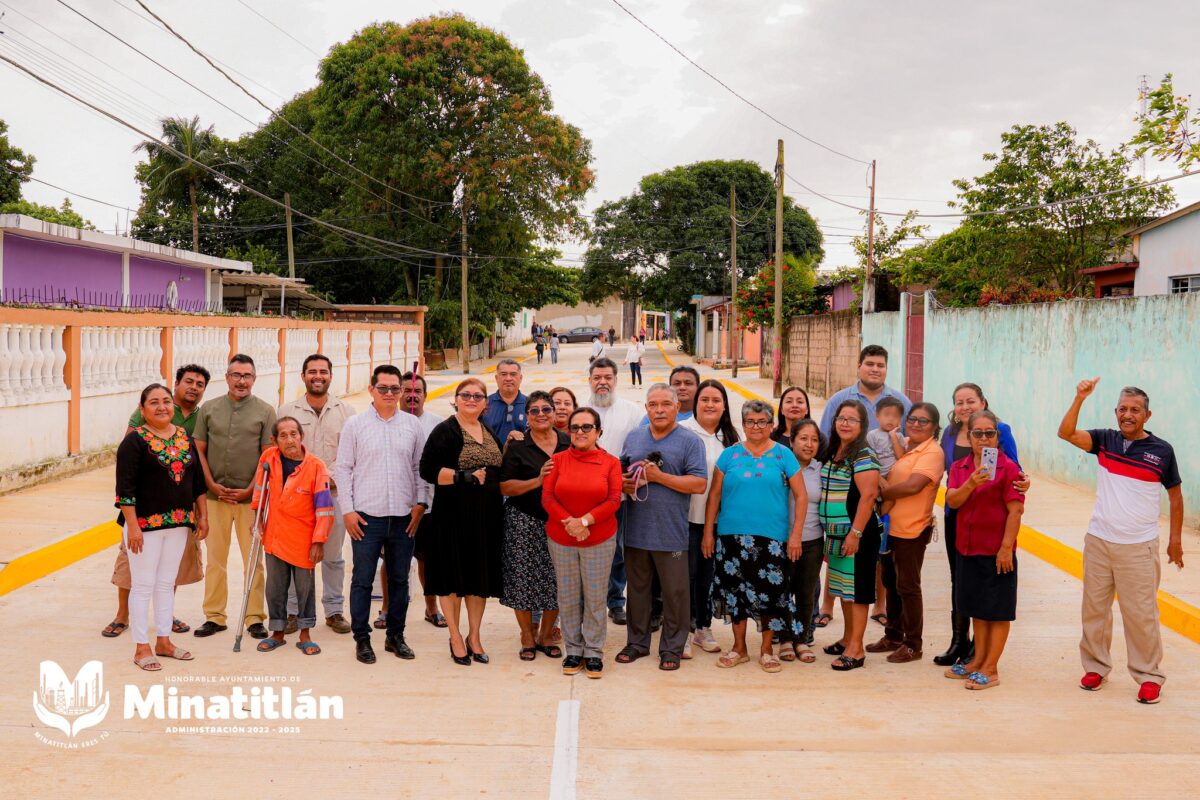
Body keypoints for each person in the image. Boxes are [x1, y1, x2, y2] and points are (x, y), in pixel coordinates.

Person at [1059, 380, 1184, 705]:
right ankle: (1096, 668)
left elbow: (1175, 496)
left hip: (1138, 546)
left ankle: (1149, 676)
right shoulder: (1105, 440)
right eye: (1123, 409)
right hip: (1099, 541)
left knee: (1141, 614)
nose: (1128, 415)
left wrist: (1175, 541)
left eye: (1135, 410)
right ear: (1116, 412)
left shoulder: (1162, 451)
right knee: (1094, 610)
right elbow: (1066, 432)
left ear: (1147, 415)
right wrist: (1080, 398)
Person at [104, 364, 210, 639]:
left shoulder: (184, 437)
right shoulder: (135, 441)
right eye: (154, 402)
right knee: (142, 584)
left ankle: (164, 640)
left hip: (178, 524)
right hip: (144, 525)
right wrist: (133, 527)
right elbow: (125, 489)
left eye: (165, 402)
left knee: (166, 583)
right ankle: (141, 644)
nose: (161, 407)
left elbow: (197, 482)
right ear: (142, 409)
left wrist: (202, 516)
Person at [703, 401, 806, 673]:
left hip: (771, 538)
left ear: (771, 425)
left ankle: (767, 650)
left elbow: (801, 496)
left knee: (769, 594)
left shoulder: (784, 455)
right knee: (735, 593)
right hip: (731, 537)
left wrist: (796, 535)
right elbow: (714, 496)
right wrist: (708, 533)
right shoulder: (730, 455)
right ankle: (739, 648)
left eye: (762, 421)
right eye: (750, 421)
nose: (756, 426)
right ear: (743, 424)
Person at [335, 365, 428, 665]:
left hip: (404, 517)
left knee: (400, 580)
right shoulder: (355, 425)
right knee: (362, 580)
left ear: (401, 391)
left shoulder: (412, 425)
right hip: (366, 518)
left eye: (395, 388)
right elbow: (343, 469)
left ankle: (395, 636)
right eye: (383, 388)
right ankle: (362, 639)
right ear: (371, 390)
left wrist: (421, 504)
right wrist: (348, 511)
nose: (389, 393)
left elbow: (419, 468)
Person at [614, 384, 707, 671]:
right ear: (646, 409)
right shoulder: (634, 437)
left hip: (671, 533)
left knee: (675, 594)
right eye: (653, 405)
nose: (659, 410)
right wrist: (624, 483)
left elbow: (699, 483)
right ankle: (637, 643)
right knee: (637, 591)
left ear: (677, 407)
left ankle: (672, 648)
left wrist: (658, 477)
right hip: (636, 531)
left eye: (666, 404)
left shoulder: (690, 441)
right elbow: (620, 473)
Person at [935, 382, 1027, 667]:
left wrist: (1006, 546)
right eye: (959, 402)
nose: (983, 438)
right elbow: (949, 491)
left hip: (995, 538)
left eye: (989, 433)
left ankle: (986, 661)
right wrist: (969, 485)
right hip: (963, 531)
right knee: (967, 591)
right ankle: (964, 648)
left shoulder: (1004, 454)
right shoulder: (952, 440)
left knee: (994, 604)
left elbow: (1015, 497)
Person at [420, 377, 505, 666]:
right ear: (456, 399)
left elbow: (499, 465)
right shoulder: (445, 430)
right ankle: (455, 637)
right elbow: (427, 470)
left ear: (485, 403)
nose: (471, 399)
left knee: (477, 580)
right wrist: (462, 477)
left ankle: (475, 637)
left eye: (478, 396)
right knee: (452, 579)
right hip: (452, 517)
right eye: (465, 395)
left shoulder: (487, 429)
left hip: (485, 517)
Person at [193, 354, 276, 639]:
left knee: (253, 560)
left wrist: (251, 489)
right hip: (214, 498)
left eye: (247, 376)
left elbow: (267, 458)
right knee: (215, 560)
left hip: (251, 501)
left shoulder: (265, 411)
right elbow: (199, 451)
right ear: (227, 377)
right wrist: (211, 485)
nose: (242, 381)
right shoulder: (209, 409)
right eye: (236, 375)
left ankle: (254, 618)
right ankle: (214, 616)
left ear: (254, 379)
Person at [542, 407, 623, 677]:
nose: (580, 432)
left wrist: (585, 522)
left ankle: (594, 651)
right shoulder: (558, 460)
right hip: (561, 538)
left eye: (587, 427)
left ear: (599, 431)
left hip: (598, 539)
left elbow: (613, 500)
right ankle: (574, 649)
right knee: (567, 596)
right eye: (575, 427)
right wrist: (571, 523)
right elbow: (548, 498)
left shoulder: (611, 462)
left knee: (595, 597)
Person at [277, 354, 355, 635]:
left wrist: (329, 479)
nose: (318, 376)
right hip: (298, 498)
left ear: (331, 376)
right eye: (312, 371)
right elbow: (282, 454)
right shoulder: (288, 411)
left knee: (333, 556)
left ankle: (334, 611)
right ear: (303, 376)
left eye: (323, 371)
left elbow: (352, 456)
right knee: (296, 555)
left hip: (334, 495)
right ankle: (293, 612)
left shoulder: (347, 412)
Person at [252, 417, 335, 656]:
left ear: (301, 436)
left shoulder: (316, 466)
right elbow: (259, 491)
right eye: (283, 435)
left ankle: (305, 634)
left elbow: (324, 508)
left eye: (294, 434)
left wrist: (319, 541)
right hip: (275, 535)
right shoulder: (268, 459)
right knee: (275, 588)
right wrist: (257, 518)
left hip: (304, 538)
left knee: (305, 589)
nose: (290, 440)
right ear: (274, 440)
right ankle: (277, 633)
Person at [870, 402, 945, 663]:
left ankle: (913, 644)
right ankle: (893, 635)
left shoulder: (932, 453)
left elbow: (913, 486)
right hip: (891, 527)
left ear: (934, 427)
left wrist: (880, 493)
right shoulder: (904, 445)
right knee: (891, 583)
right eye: (912, 419)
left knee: (908, 587)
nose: (916, 424)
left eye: (923, 421)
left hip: (912, 530)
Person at [499, 390, 569, 660]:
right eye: (535, 411)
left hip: (560, 520)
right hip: (523, 520)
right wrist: (537, 481)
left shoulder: (568, 442)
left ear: (554, 413)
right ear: (527, 416)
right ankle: (527, 636)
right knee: (522, 580)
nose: (541, 415)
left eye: (546, 409)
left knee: (556, 580)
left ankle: (546, 635)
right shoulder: (519, 446)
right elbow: (504, 486)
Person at [818, 399, 883, 671]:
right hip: (837, 536)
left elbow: (868, 497)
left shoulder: (864, 455)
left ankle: (856, 650)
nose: (845, 424)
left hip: (858, 536)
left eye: (852, 420)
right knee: (844, 589)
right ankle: (847, 639)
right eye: (841, 418)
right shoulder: (834, 451)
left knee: (857, 592)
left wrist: (855, 534)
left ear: (862, 425)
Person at [680, 379, 739, 657]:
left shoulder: (732, 439)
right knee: (686, 577)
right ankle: (684, 630)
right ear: (695, 403)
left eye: (716, 400)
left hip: (719, 522)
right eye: (704, 399)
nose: (710, 405)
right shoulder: (683, 432)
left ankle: (703, 627)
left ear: (724, 405)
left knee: (708, 578)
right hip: (687, 518)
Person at [384, 371, 446, 629]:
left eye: (417, 391)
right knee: (390, 559)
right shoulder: (387, 422)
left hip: (429, 505)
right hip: (396, 504)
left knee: (427, 560)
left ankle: (431, 608)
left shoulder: (438, 425)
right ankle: (386, 609)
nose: (412, 396)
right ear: (399, 393)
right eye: (407, 391)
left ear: (425, 395)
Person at [586, 358, 644, 625]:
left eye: (607, 377)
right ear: (589, 380)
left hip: (619, 495)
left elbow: (639, 450)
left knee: (618, 550)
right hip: (585, 495)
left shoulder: (632, 412)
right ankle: (590, 602)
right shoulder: (581, 409)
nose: (602, 382)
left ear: (616, 380)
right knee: (587, 550)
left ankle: (616, 601)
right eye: (597, 378)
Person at [778, 418, 825, 663]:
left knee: (806, 594)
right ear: (792, 441)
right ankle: (785, 639)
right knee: (782, 593)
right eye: (803, 438)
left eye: (814, 440)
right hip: (782, 540)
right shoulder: (779, 466)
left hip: (812, 541)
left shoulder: (821, 470)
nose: (809, 444)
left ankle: (802, 639)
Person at [819, 345, 911, 439]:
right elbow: (824, 439)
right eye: (870, 364)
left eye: (880, 366)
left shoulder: (903, 402)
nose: (875, 369)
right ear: (859, 366)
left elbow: (911, 441)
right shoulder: (838, 400)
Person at [482, 358, 528, 443]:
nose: (508, 378)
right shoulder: (484, 404)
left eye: (513, 374)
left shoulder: (530, 405)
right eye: (503, 374)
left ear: (520, 378)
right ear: (496, 378)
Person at [866, 396, 907, 479]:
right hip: (877, 476)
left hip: (895, 475)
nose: (891, 419)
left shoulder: (899, 436)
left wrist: (893, 435)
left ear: (900, 419)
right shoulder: (872, 435)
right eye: (886, 415)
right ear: (877, 416)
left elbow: (900, 456)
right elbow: (869, 458)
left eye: (895, 416)